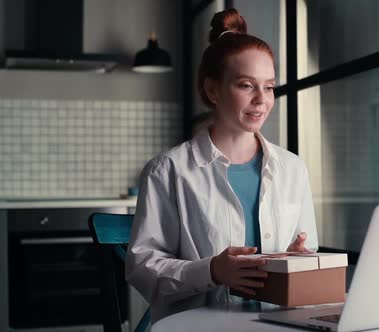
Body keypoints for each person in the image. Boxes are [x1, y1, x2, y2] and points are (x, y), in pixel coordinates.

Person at [126, 8, 318, 323]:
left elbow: (304, 251)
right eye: (246, 85)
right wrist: (212, 270)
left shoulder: (293, 169)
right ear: (213, 89)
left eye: (268, 86)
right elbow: (143, 269)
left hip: (278, 325)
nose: (261, 99)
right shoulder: (169, 171)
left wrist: (298, 262)